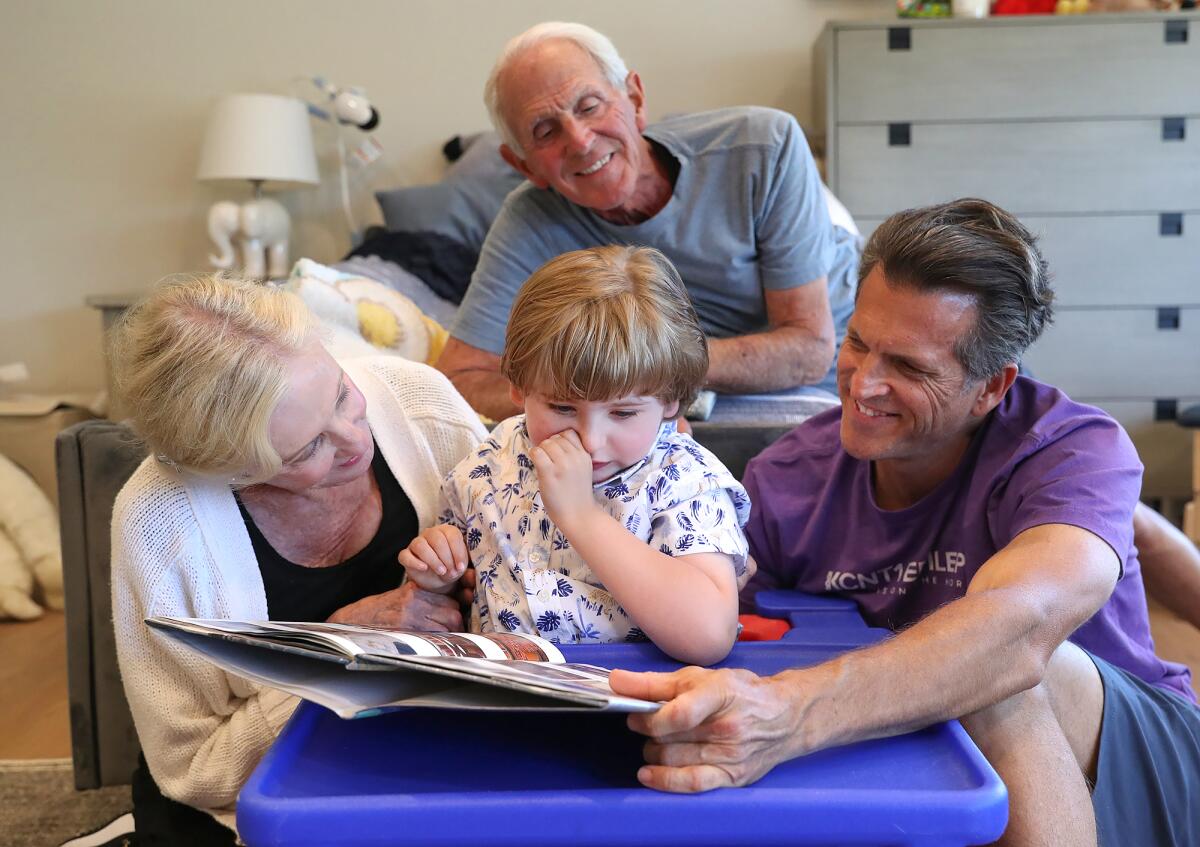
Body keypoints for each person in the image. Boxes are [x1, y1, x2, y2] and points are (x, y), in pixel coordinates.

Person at [609, 199, 1200, 846]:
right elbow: (720, 633)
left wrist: (793, 712)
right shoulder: (785, 478)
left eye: (911, 367)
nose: (864, 385)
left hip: (1139, 755)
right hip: (926, 759)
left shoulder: (1073, 450)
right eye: (859, 342)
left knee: (987, 675)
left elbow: (1018, 628)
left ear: (992, 386)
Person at [108, 276, 487, 845]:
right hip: (251, 792)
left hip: (435, 746)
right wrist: (334, 649)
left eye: (340, 394)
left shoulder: (419, 403)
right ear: (230, 470)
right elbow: (194, 768)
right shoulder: (160, 521)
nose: (354, 441)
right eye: (308, 449)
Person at [436, 21, 860, 420]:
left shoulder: (764, 145)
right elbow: (459, 378)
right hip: (670, 396)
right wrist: (588, 406)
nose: (581, 141)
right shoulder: (530, 219)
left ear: (635, 99)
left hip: (834, 366)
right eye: (546, 132)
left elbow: (809, 348)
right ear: (523, 164)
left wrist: (639, 372)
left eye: (589, 106)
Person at [400, 246, 749, 666]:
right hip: (504, 698)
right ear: (518, 388)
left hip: (635, 700)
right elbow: (460, 588)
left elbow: (709, 636)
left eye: (623, 413)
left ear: (671, 401)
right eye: (562, 408)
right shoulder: (488, 462)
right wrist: (437, 573)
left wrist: (582, 516)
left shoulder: (684, 479)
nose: (590, 440)